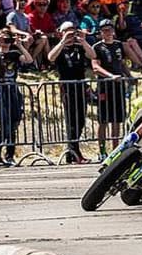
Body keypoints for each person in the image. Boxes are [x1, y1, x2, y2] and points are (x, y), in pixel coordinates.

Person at [0, 29, 33, 167]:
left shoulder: (15, 54)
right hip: (0, 89)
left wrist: (20, 45)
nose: (5, 42)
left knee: (14, 122)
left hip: (13, 89)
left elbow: (29, 60)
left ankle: (9, 155)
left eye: (7, 39)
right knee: (5, 123)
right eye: (3, 39)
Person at [48, 22, 96, 164]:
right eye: (67, 31)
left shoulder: (79, 47)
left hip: (80, 85)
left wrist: (83, 40)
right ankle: (74, 153)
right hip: (67, 87)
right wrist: (63, 41)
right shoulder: (60, 48)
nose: (70, 35)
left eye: (72, 31)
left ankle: (72, 152)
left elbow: (92, 55)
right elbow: (50, 57)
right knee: (71, 121)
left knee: (80, 120)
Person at [91, 19, 131, 159]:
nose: (108, 32)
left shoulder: (119, 45)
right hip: (104, 86)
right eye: (105, 30)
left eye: (110, 29)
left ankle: (115, 151)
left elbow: (122, 63)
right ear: (100, 32)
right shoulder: (97, 47)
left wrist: (129, 76)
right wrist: (111, 76)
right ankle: (102, 151)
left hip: (118, 86)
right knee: (103, 120)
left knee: (117, 119)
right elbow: (95, 67)